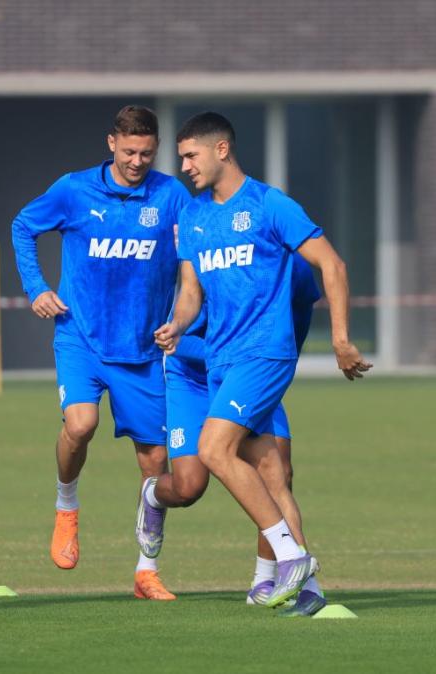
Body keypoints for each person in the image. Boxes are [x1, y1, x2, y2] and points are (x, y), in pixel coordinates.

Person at [155, 112, 371, 610]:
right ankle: (306, 589)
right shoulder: (192, 216)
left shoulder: (269, 204)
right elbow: (190, 291)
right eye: (181, 156)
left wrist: (340, 339)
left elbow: (331, 264)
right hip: (220, 360)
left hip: (264, 354)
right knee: (274, 474)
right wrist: (178, 324)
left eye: (191, 155)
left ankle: (290, 556)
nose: (183, 165)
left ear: (222, 150)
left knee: (212, 449)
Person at [11, 105, 190, 600]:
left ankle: (146, 570)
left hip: (143, 351)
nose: (138, 162)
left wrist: (181, 319)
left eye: (148, 154)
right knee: (80, 424)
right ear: (111, 143)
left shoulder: (171, 195)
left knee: (156, 463)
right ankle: (66, 506)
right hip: (81, 339)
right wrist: (36, 288)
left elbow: (195, 254)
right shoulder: (73, 189)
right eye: (130, 151)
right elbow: (23, 226)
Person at [137, 252, 326, 616]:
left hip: (249, 373)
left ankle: (271, 582)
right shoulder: (210, 251)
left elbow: (302, 309)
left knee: (278, 474)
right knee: (189, 485)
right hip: (193, 376)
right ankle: (153, 495)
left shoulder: (293, 264)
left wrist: (277, 363)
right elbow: (172, 340)